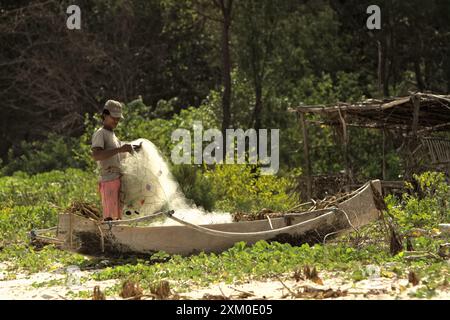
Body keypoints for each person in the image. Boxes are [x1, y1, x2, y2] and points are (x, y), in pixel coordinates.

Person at [91, 100, 136, 221]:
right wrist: (120, 149)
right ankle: (110, 239)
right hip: (109, 179)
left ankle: (118, 238)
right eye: (113, 118)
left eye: (118, 119)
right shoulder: (100, 133)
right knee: (110, 217)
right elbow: (96, 155)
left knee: (118, 217)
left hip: (117, 178)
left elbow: (117, 155)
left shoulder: (113, 135)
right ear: (105, 115)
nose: (116, 121)